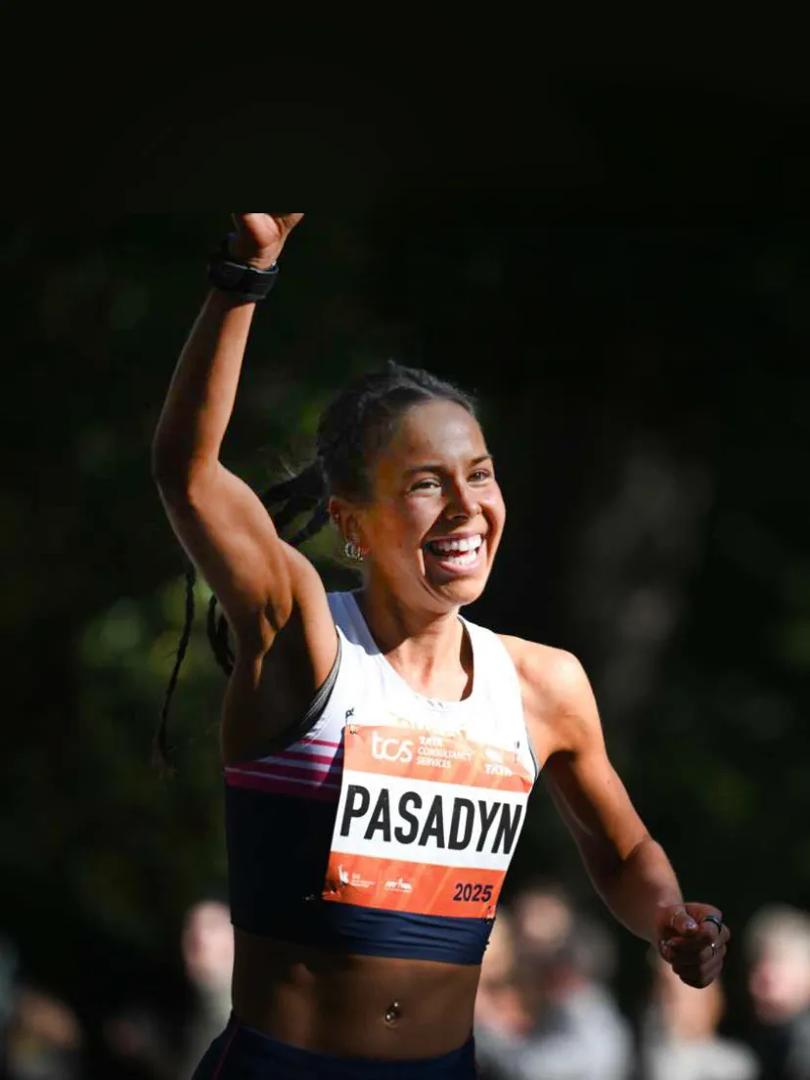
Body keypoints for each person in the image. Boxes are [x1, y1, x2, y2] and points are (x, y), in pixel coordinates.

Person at [150, 213, 731, 1079]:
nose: (466, 509)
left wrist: (670, 918)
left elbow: (621, 852)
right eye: (426, 485)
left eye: (481, 474)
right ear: (351, 522)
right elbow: (189, 475)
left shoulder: (543, 684)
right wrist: (245, 274)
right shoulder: (305, 639)